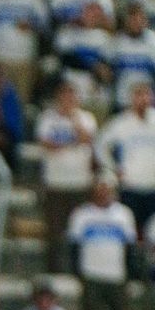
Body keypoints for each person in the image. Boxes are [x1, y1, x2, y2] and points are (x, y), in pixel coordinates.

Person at [37, 82, 98, 273]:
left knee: (78, 230)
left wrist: (73, 120)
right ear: (58, 98)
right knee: (54, 231)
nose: (68, 100)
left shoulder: (86, 118)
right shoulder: (47, 118)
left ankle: (77, 269)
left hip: (80, 183)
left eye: (72, 96)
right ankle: (53, 270)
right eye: (65, 96)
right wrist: (72, 142)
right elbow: (46, 144)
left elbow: (87, 139)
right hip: (55, 183)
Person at [68, 178, 137, 310]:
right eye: (100, 190)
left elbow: (130, 247)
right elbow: (74, 247)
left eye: (107, 191)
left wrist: (130, 274)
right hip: (91, 274)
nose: (104, 194)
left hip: (117, 275)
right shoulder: (81, 214)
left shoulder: (124, 214)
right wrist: (77, 272)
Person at [96, 82, 155, 233]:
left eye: (146, 95)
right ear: (131, 98)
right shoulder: (121, 122)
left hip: (152, 185)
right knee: (132, 230)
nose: (142, 99)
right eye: (138, 95)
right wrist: (113, 168)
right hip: (131, 185)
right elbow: (101, 145)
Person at [0, 0, 50, 102]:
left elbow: (44, 26)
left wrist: (31, 25)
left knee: (21, 101)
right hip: (1, 58)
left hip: (25, 60)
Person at [107, 2, 155, 111]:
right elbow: (106, 69)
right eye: (133, 19)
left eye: (140, 19)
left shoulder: (152, 41)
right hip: (122, 100)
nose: (137, 23)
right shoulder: (116, 42)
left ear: (145, 20)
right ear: (126, 21)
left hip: (147, 101)